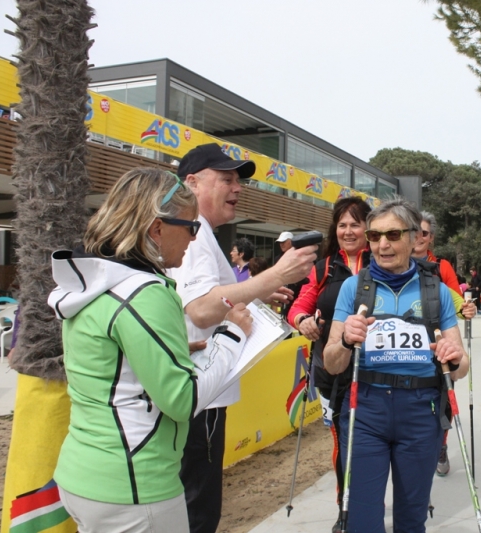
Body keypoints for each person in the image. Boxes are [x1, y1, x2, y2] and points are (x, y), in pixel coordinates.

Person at [47, 168, 253, 532]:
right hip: (134, 485)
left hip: (82, 474)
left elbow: (107, 361)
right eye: (191, 226)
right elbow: (183, 400)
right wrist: (232, 337)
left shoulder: (93, 280)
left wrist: (168, 352)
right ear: (157, 229)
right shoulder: (145, 292)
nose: (194, 238)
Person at [167, 143, 317, 533]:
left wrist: (256, 292)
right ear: (192, 182)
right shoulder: (195, 235)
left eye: (239, 180)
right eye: (227, 178)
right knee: (198, 509)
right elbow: (200, 308)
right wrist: (274, 277)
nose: (237, 188)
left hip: (199, 390)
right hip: (200, 394)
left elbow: (205, 302)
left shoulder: (200, 235)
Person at [324, 198, 469, 532]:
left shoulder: (436, 291)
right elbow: (333, 364)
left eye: (392, 235)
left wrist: (455, 355)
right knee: (361, 519)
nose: (382, 245)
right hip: (366, 410)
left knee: (411, 517)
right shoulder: (354, 287)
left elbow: (460, 368)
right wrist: (346, 339)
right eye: (374, 237)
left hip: (421, 411)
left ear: (415, 237)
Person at [287, 196, 371, 532]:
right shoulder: (323, 268)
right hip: (334, 371)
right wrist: (303, 320)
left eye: (355, 224)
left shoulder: (381, 262)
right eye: (342, 225)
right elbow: (298, 307)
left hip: (378, 371)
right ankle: (346, 506)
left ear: (369, 227)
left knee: (372, 444)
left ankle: (372, 500)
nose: (348, 231)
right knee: (345, 444)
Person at [411, 210, 476, 476]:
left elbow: (456, 300)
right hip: (409, 342)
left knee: (443, 399)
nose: (418, 237)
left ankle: (440, 445)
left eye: (424, 233)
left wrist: (467, 309)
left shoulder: (442, 267)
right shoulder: (392, 262)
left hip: (438, 340)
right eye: (413, 231)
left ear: (431, 238)